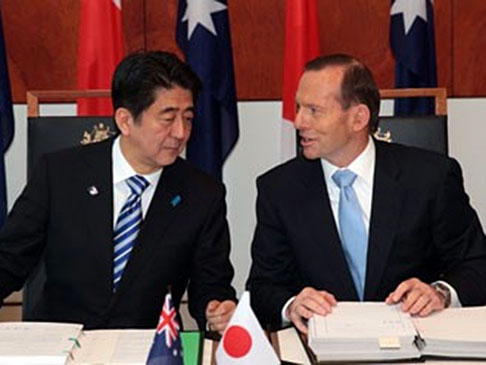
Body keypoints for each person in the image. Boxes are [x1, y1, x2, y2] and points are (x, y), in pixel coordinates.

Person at [247, 54, 486, 333]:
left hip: (416, 342)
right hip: (321, 350)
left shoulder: (430, 177)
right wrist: (291, 305)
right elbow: (262, 287)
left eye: (314, 110)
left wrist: (441, 293)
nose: (299, 121)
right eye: (298, 107)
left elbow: (477, 265)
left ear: (358, 118)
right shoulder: (279, 189)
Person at [0, 51, 236, 332]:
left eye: (188, 117)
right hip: (61, 344)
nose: (181, 132)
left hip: (145, 349)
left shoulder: (202, 194)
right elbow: (9, 260)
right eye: (167, 118)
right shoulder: (60, 174)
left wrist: (218, 311)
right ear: (125, 120)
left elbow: (212, 286)